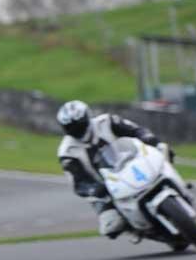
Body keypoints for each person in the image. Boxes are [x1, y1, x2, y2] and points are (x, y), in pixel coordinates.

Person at [56, 100, 172, 239]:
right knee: (111, 226)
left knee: (162, 149)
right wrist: (94, 189)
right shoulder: (67, 152)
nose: (76, 129)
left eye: (78, 124)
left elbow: (135, 130)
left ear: (87, 117)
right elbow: (78, 182)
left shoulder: (106, 122)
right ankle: (137, 229)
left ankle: (176, 185)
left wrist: (148, 138)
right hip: (107, 187)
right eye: (70, 127)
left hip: (130, 162)